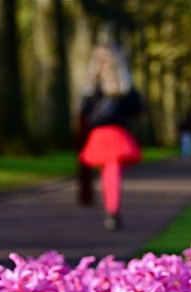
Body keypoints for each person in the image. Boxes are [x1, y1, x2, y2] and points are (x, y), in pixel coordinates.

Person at [78, 41, 143, 231]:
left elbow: (83, 110)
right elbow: (138, 108)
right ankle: (112, 210)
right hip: (116, 133)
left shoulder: (92, 86)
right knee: (112, 173)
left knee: (108, 172)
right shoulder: (123, 86)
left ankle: (111, 209)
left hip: (100, 134)